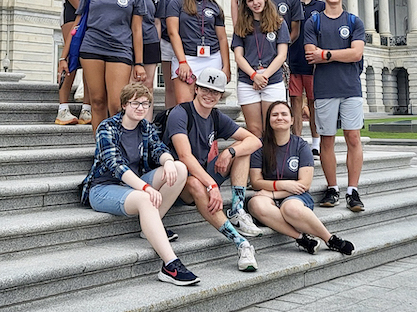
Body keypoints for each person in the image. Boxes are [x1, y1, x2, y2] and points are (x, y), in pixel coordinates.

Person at [81, 83, 199, 286]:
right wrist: (145, 188)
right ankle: (170, 265)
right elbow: (115, 165)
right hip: (104, 189)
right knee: (146, 198)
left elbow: (158, 148)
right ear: (125, 105)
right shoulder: (107, 127)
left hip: (132, 185)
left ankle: (151, 228)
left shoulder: (145, 126)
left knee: (179, 169)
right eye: (135, 103)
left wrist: (169, 161)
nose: (141, 108)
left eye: (145, 103)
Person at [166, 68, 263, 272]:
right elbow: (184, 157)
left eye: (215, 92)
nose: (209, 95)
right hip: (178, 182)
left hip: (202, 173)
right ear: (196, 88)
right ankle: (241, 243)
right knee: (193, 181)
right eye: (205, 89)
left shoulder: (216, 116)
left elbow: (254, 141)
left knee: (241, 151)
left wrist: (230, 152)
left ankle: (236, 210)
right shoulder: (180, 113)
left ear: (220, 95)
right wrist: (211, 185)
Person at [57, 0, 147, 133]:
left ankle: (117, 145)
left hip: (120, 49)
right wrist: (63, 57)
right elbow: (77, 25)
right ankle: (101, 148)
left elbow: (137, 30)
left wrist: (139, 62)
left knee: (116, 104)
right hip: (91, 49)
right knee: (97, 102)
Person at [248, 101, 354, 256]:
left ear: (292, 120)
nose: (279, 118)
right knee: (255, 204)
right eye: (275, 115)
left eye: (284, 114)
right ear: (269, 120)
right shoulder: (260, 146)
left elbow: (304, 184)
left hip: (295, 195)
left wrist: (273, 193)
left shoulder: (300, 145)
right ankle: (301, 238)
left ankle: (330, 239)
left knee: (289, 208)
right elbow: (256, 182)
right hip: (274, 191)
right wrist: (285, 184)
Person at [304, 0, 366, 213]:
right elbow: (311, 53)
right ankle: (332, 187)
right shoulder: (314, 21)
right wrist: (340, 53)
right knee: (327, 140)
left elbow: (356, 54)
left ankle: (353, 190)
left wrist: (326, 55)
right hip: (325, 89)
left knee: (353, 138)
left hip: (350, 88)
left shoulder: (353, 21)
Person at [232, 0, 290, 138]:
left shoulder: (278, 23)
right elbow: (238, 56)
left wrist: (264, 77)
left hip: (273, 80)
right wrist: (254, 76)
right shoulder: (241, 25)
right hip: (248, 82)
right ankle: (258, 162)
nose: (255, 3)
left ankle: (273, 162)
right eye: (250, 0)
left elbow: (282, 55)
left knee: (273, 129)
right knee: (255, 130)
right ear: (246, 4)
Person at [166, 0, 230, 103]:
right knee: (185, 103)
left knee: (207, 103)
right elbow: (173, 33)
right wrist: (182, 62)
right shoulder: (176, 3)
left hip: (212, 58)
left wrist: (226, 66)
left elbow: (222, 38)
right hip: (186, 57)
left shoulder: (215, 7)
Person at [288, 0, 325, 153]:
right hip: (292, 60)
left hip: (313, 63)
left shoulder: (320, 7)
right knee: (295, 102)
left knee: (313, 103)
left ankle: (316, 144)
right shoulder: (290, 5)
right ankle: (297, 141)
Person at [131, 0, 165, 120]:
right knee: (132, 84)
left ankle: (147, 123)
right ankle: (129, 121)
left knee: (148, 84)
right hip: (130, 40)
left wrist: (156, 42)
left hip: (150, 40)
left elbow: (158, 20)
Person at [160, 0, 190, 109]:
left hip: (190, 43)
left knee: (192, 84)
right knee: (170, 86)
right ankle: (169, 119)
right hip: (167, 41)